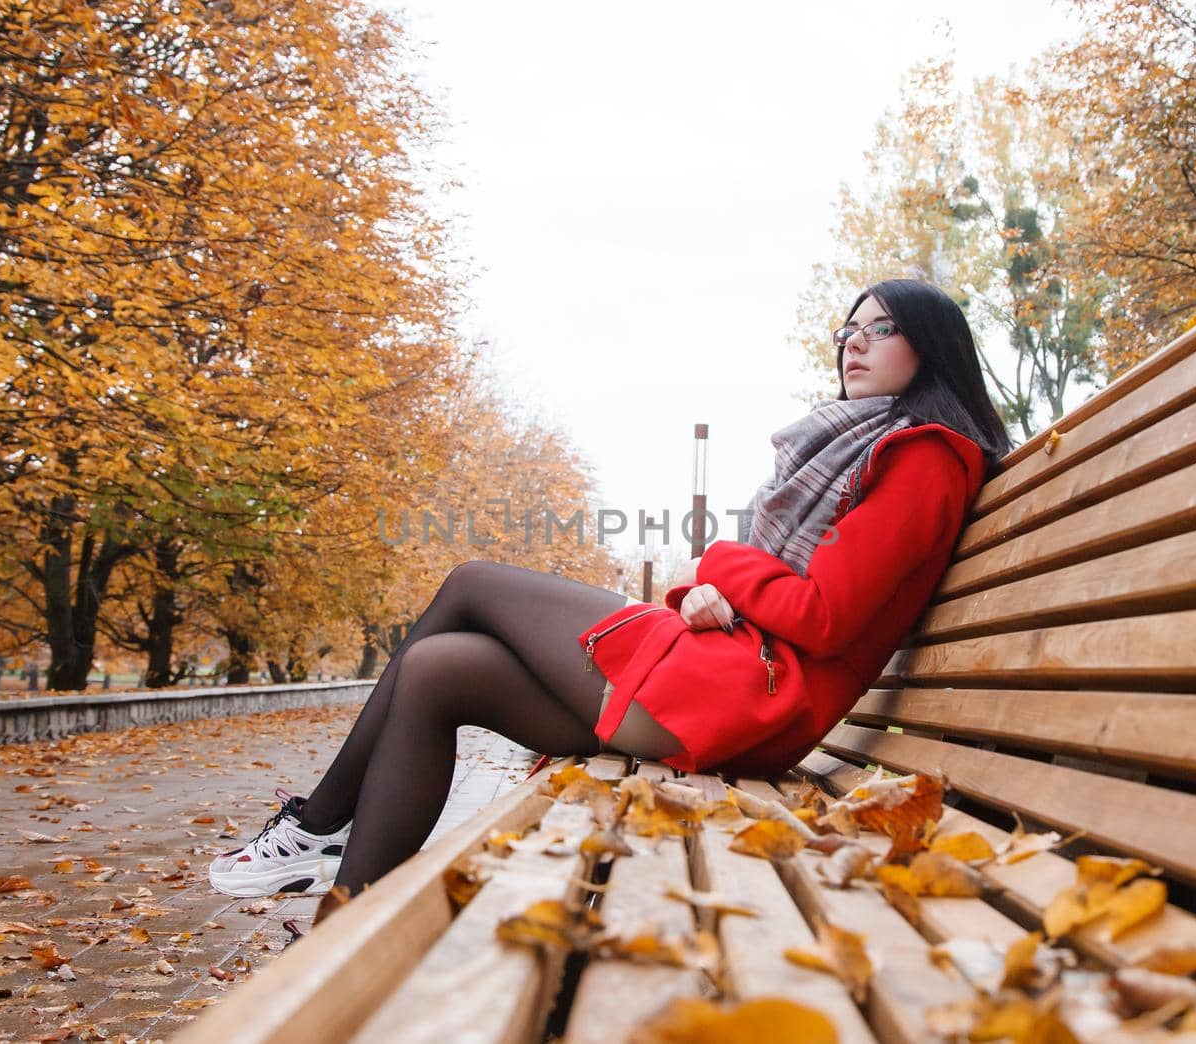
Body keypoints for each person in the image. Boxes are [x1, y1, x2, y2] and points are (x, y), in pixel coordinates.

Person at [207, 278, 1012, 899]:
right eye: (847, 330)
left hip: (748, 698)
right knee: (438, 670)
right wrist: (711, 594)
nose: (853, 344)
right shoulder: (874, 446)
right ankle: (340, 932)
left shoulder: (929, 455)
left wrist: (718, 567)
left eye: (880, 329)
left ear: (931, 346)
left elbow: (824, 615)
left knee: (471, 583)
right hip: (732, 678)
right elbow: (805, 593)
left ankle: (315, 826)